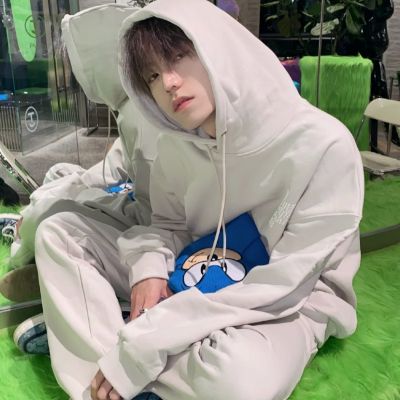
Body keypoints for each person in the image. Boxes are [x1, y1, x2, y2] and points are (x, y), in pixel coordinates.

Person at [33, 0, 364, 399]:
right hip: (194, 270)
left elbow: (286, 283)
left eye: (177, 57)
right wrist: (150, 268)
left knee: (239, 380)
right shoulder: (175, 143)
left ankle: (110, 334)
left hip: (285, 302)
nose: (168, 83)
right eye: (152, 75)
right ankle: (111, 370)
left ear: (218, 46)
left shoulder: (324, 146)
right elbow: (169, 225)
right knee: (61, 231)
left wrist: (157, 334)